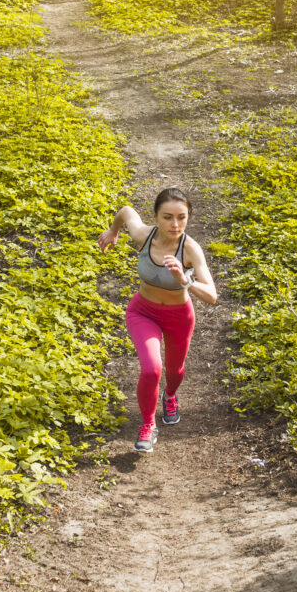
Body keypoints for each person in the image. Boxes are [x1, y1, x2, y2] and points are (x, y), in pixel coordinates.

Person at [98, 188, 218, 452]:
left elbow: (211, 295)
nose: (174, 224)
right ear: (155, 216)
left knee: (174, 372)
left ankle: (171, 395)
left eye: (181, 217)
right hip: (143, 312)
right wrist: (113, 232)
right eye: (167, 217)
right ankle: (148, 425)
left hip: (179, 317)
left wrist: (186, 280)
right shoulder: (144, 235)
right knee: (152, 368)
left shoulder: (190, 249)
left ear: (188, 218)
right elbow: (127, 211)